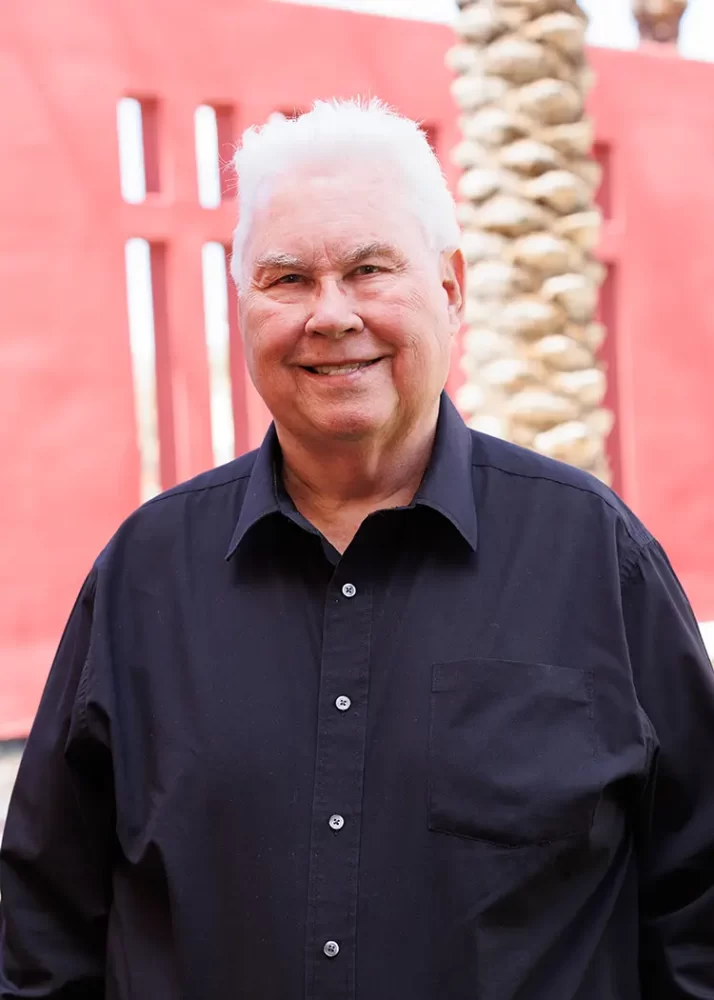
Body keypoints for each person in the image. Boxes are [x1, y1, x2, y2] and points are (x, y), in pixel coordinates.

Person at [1, 97, 713, 1000]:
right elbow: (44, 928)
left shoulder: (595, 558)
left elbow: (699, 903)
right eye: (288, 279)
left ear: (450, 287)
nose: (331, 315)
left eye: (370, 269)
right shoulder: (145, 575)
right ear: (244, 305)